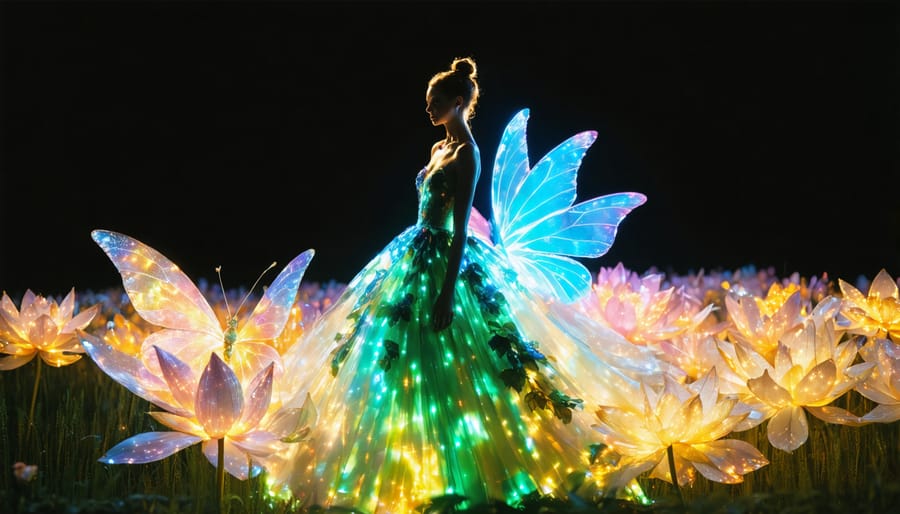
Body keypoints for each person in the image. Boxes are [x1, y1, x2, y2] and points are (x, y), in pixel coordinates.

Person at [267, 57, 654, 513]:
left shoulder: (468, 153)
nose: (427, 108)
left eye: (435, 102)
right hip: (414, 252)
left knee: (469, 361)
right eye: (427, 101)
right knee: (393, 358)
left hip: (447, 256)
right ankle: (412, 471)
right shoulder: (437, 149)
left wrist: (448, 290)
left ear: (457, 103)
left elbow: (462, 226)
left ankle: (487, 473)